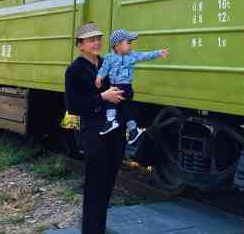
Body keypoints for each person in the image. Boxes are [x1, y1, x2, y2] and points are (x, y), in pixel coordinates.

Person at [64, 22, 126, 234]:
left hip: (114, 133)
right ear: (80, 45)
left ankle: (98, 229)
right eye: (91, 40)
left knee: (107, 188)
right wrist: (102, 97)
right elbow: (73, 106)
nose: (96, 42)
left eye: (98, 38)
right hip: (94, 135)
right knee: (94, 188)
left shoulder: (106, 63)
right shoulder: (74, 70)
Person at [95, 29, 169, 144]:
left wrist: (159, 52)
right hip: (117, 86)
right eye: (128, 43)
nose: (131, 45)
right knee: (126, 109)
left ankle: (110, 121)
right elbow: (104, 69)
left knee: (111, 101)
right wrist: (99, 77)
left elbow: (145, 55)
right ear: (118, 45)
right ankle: (133, 129)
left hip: (125, 87)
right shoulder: (109, 58)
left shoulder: (132, 56)